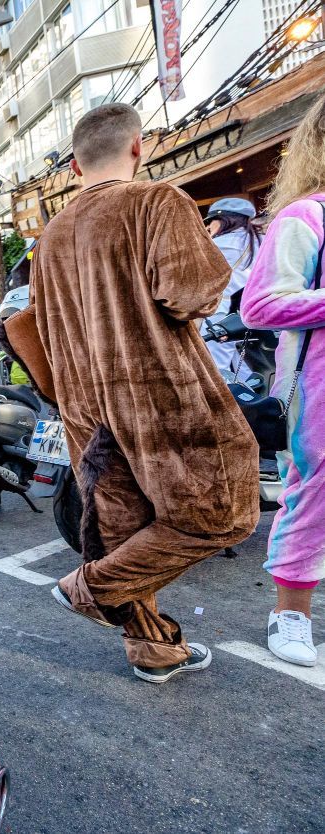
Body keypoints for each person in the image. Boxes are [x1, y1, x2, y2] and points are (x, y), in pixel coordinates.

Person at [29, 103, 258, 683]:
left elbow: (39, 321)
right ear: (138, 146)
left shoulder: (52, 234)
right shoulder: (156, 201)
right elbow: (193, 294)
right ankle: (90, 588)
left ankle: (152, 651)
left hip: (85, 403)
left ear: (76, 165)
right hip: (158, 390)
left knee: (125, 529)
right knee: (221, 514)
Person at [239, 94, 325, 667]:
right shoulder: (306, 217)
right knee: (313, 496)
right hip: (315, 395)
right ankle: (290, 615)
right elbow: (260, 303)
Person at [202, 197, 262, 381]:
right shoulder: (260, 240)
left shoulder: (216, 245)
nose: (209, 225)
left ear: (224, 220)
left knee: (216, 368)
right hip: (246, 311)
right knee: (242, 364)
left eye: (211, 220)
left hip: (219, 314)